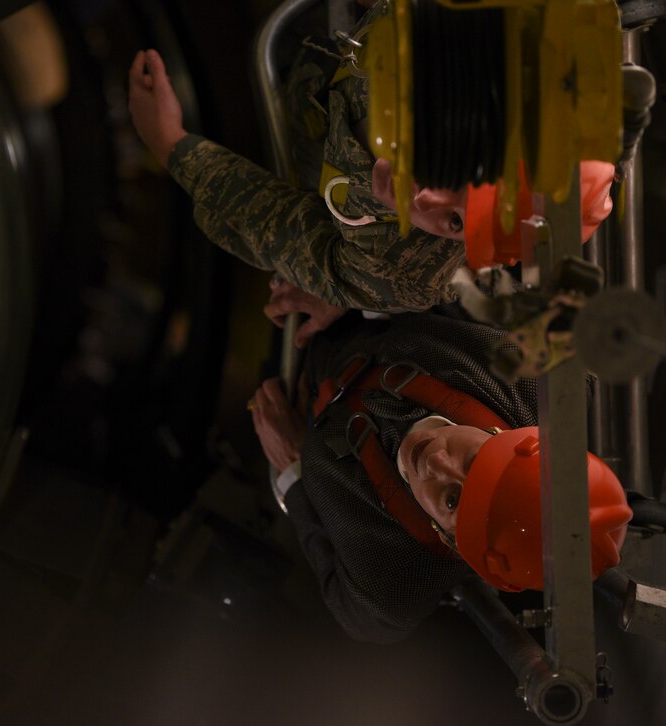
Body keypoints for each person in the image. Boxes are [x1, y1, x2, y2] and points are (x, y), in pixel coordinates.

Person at [127, 11, 616, 313]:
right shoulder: (463, 22)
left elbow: (276, 227)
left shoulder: (404, 270)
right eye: (458, 174)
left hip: (283, 120)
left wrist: (173, 144)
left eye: (456, 222)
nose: (421, 200)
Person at [248, 285, 632, 642]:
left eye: (452, 499)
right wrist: (353, 287)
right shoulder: (536, 379)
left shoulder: (391, 583)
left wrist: (294, 472)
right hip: (375, 291)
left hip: (294, 383)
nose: (437, 460)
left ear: (451, 540)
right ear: (512, 438)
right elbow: (466, 278)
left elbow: (355, 611)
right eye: (475, 457)